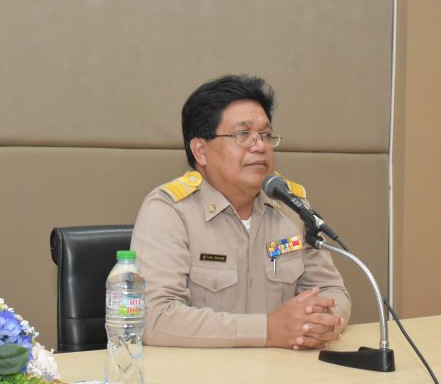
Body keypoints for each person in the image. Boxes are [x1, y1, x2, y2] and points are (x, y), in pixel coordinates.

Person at [131, 74, 351, 350]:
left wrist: (315, 323)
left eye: (266, 135)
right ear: (201, 150)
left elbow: (333, 291)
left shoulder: (291, 208)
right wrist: (268, 330)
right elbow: (153, 318)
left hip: (283, 371)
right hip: (201, 374)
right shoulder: (169, 211)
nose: (260, 146)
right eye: (243, 134)